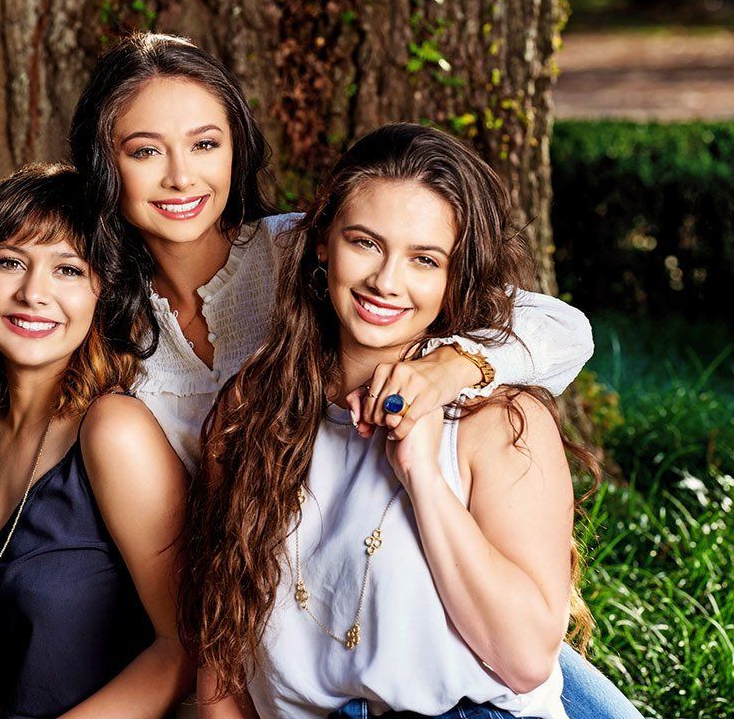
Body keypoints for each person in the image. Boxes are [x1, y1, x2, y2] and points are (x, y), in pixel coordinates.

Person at [0, 33, 640, 718]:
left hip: (413, 588)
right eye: (145, 151)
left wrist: (454, 365)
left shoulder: (307, 250)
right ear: (106, 166)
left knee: (531, 679)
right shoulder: (96, 314)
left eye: (206, 144)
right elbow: (27, 463)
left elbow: (560, 327)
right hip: (274, 615)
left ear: (237, 151)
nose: (180, 176)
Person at [182, 123, 618, 718]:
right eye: (364, 242)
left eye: (424, 259)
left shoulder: (499, 420)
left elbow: (524, 659)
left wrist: (423, 478)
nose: (387, 281)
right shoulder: (249, 413)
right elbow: (220, 663)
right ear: (321, 244)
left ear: (453, 276)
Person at [0, 163, 193, 718]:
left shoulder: (115, 432)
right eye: (11, 262)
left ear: (102, 293)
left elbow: (187, 648)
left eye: (67, 269)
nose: (33, 293)